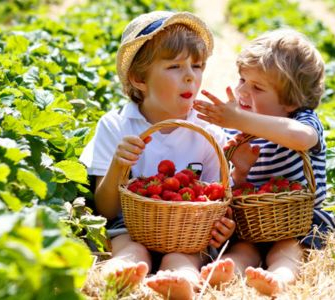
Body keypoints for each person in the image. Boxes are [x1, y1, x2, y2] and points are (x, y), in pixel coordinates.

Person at [79, 11, 235, 299]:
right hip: (130, 227)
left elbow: (215, 198)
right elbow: (106, 210)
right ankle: (119, 271)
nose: (190, 75)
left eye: (197, 65)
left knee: (184, 256)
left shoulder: (207, 132)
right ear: (139, 78)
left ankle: (182, 280)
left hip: (187, 232)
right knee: (129, 247)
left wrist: (221, 226)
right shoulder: (116, 126)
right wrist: (118, 165)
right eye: (175, 66)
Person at [192, 29, 335, 296]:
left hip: (297, 222)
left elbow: (302, 138)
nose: (242, 91)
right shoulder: (241, 134)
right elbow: (239, 189)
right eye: (243, 80)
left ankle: (280, 277)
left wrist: (239, 120)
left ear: (291, 101)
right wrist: (241, 171)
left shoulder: (302, 121)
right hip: (254, 224)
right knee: (243, 248)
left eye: (257, 87)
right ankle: (228, 271)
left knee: (287, 248)